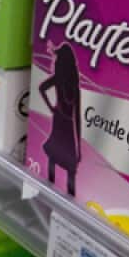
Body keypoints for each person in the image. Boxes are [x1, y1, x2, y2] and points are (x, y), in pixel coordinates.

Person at [39, 43, 82, 197]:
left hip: (60, 121)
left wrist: (52, 107)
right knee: (69, 167)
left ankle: (48, 190)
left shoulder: (59, 79)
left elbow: (42, 88)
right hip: (67, 125)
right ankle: (69, 196)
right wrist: (79, 148)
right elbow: (77, 118)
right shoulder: (74, 86)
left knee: (53, 156)